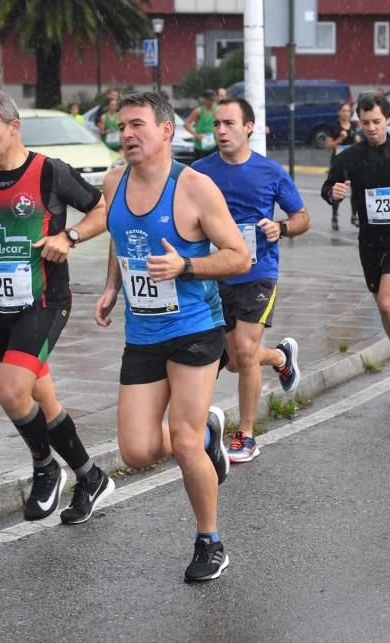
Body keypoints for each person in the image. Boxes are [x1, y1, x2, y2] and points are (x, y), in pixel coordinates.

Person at [0, 90, 113, 525]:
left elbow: (104, 210)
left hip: (46, 302)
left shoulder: (49, 173)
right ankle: (91, 477)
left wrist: (67, 238)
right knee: (41, 399)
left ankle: (44, 466)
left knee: (11, 391)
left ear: (14, 128)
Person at [95, 91, 249, 582]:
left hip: (195, 327)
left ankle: (210, 541)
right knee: (136, 451)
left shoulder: (195, 188)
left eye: (137, 124)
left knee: (181, 442)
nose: (127, 135)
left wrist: (186, 265)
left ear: (166, 131)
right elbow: (122, 239)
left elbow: (239, 256)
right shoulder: (113, 181)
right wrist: (111, 286)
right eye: (121, 127)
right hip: (142, 330)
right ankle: (210, 431)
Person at [193, 98, 311, 464]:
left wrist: (283, 227)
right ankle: (279, 356)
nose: (222, 131)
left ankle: (245, 435)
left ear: (249, 127)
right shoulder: (198, 172)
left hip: (258, 272)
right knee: (233, 360)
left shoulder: (270, 172)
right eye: (217, 125)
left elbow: (302, 216)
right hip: (216, 272)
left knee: (243, 352)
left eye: (229, 123)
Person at [321, 95, 390, 395]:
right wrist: (334, 191)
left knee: (387, 302)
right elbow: (327, 188)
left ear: (387, 120)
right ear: (358, 121)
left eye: (376, 122)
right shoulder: (349, 157)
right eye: (365, 122)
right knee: (384, 308)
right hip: (370, 242)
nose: (371, 128)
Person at [323, 102, 360, 231]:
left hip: (353, 163)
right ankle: (334, 216)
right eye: (343, 111)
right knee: (338, 189)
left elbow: (360, 144)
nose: (346, 113)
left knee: (355, 191)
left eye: (348, 111)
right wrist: (339, 138)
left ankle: (354, 216)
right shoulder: (333, 127)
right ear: (339, 112)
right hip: (339, 163)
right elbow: (328, 146)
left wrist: (356, 139)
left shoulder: (354, 126)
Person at [185, 90, 218, 161]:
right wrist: (196, 135)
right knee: (199, 169)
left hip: (213, 145)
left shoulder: (217, 109)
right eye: (210, 100)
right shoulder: (198, 111)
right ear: (205, 99)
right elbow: (186, 124)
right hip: (200, 146)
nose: (212, 102)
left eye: (213, 100)